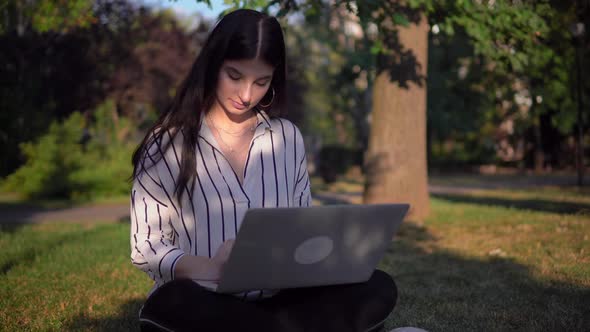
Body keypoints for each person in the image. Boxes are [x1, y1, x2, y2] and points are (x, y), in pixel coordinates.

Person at [129, 9, 398, 332]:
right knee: (171, 303)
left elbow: (299, 229)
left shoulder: (287, 138)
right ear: (213, 66)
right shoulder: (167, 143)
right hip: (205, 298)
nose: (246, 95)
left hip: (279, 300)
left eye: (261, 81)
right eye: (234, 75)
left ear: (274, 78)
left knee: (377, 285)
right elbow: (147, 247)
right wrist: (213, 267)